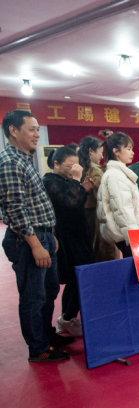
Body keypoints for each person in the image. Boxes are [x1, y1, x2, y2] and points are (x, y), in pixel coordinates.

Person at [1, 110, 72, 362]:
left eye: (37, 130)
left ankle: (46, 334)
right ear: (13, 131)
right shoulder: (10, 162)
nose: (36, 134)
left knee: (49, 289)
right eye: (31, 129)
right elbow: (15, 209)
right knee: (33, 296)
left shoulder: (24, 159)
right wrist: (35, 244)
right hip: (28, 240)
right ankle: (39, 348)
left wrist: (49, 235)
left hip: (43, 236)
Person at [43, 147, 94, 337]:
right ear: (56, 164)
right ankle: (67, 318)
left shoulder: (65, 181)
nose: (74, 169)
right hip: (66, 237)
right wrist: (76, 180)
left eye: (76, 165)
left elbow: (77, 202)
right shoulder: (50, 181)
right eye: (69, 166)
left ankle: (67, 317)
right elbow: (69, 202)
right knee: (77, 277)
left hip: (79, 234)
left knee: (78, 278)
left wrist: (84, 189)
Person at [97, 132, 139, 258]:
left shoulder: (118, 173)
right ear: (116, 151)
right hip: (129, 236)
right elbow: (122, 210)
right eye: (128, 149)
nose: (132, 153)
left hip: (128, 234)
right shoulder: (116, 175)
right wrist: (133, 238)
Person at [78, 136, 119, 262]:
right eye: (100, 152)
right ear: (91, 151)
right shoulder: (94, 170)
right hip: (96, 215)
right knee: (105, 251)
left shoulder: (81, 166)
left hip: (86, 213)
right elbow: (103, 195)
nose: (102, 156)